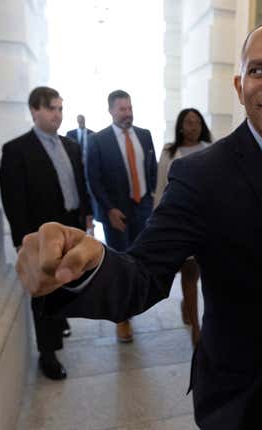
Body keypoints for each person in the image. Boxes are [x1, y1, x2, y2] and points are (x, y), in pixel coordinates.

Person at [17, 20, 262, 429]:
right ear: (240, 87)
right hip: (244, 396)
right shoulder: (201, 175)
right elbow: (144, 274)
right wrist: (87, 267)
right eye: (257, 70)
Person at [0, 86, 93, 380]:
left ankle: (61, 319)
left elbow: (80, 183)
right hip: (40, 234)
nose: (58, 114)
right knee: (42, 291)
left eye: (61, 109)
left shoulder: (71, 146)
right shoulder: (16, 150)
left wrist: (87, 215)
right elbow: (13, 200)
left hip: (71, 225)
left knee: (66, 279)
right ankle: (48, 354)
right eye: (52, 108)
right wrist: (21, 241)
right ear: (34, 110)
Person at [85, 90, 157, 343]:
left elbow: (152, 171)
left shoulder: (145, 136)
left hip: (142, 209)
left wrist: (149, 200)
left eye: (129, 108)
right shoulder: (98, 141)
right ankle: (122, 319)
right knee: (118, 265)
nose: (128, 113)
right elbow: (93, 179)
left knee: (139, 261)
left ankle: (135, 301)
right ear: (111, 111)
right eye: (122, 109)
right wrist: (108, 210)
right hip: (115, 213)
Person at [154, 108, 212, 346]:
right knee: (187, 273)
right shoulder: (170, 150)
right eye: (188, 122)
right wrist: (158, 219)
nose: (193, 126)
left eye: (197, 122)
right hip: (179, 220)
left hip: (206, 220)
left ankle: (192, 309)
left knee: (199, 274)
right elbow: (161, 187)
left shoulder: (210, 148)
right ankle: (196, 330)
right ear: (180, 125)